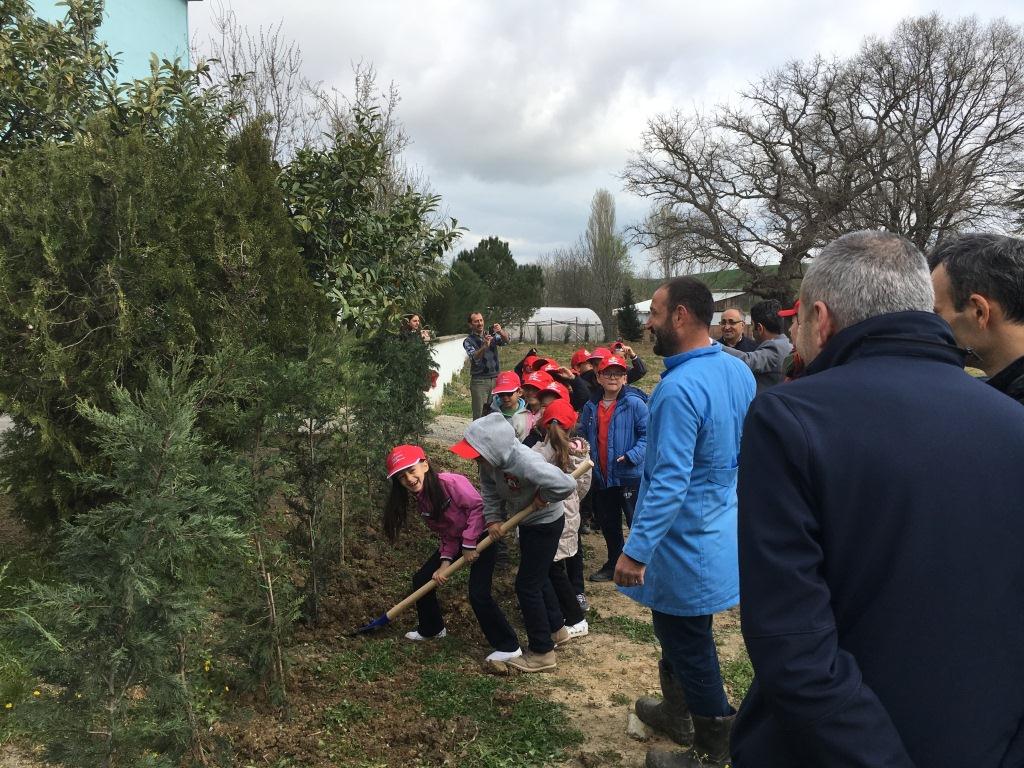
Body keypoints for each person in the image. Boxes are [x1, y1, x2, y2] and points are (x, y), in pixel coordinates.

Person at [731, 230, 1024, 768]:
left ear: (821, 320)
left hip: (836, 750)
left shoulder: (792, 418)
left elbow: (793, 645)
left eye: (797, 323)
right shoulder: (1012, 419)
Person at [613, 277, 755, 768]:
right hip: (719, 529)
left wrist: (636, 551)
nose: (648, 323)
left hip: (684, 541)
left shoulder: (676, 390)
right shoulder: (737, 371)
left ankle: (716, 747)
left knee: (688, 641)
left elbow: (670, 482)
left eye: (654, 313)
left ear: (679, 316)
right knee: (680, 631)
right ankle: (677, 713)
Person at [451, 413, 578, 673]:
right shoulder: (489, 464)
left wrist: (545, 495)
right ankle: (557, 630)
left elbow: (566, 484)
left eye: (477, 453)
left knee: (527, 586)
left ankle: (542, 652)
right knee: (538, 578)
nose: (475, 458)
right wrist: (494, 519)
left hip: (546, 524)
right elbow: (488, 490)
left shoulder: (524, 461)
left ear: (492, 447)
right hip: (528, 523)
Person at [382, 445, 522, 664]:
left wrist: (469, 543)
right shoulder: (422, 499)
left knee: (478, 593)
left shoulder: (450, 483)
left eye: (411, 470)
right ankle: (432, 628)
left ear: (425, 465)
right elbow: (446, 533)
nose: (409, 479)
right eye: (402, 477)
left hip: (483, 536)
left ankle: (509, 646)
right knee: (422, 580)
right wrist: (445, 562)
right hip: (458, 542)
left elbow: (478, 508)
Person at [928, 233, 1024, 405]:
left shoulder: (1007, 412)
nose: (930, 325)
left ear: (979, 312)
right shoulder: (1003, 394)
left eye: (936, 313)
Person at [578, 353, 648, 584]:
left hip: (628, 475)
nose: (613, 377)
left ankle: (643, 564)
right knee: (608, 522)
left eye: (618, 373)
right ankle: (613, 562)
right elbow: (583, 434)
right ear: (598, 377)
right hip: (602, 476)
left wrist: (632, 456)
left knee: (635, 520)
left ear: (626, 379)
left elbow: (648, 436)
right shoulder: (591, 406)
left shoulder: (635, 404)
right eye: (608, 373)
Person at [532, 398, 592, 640]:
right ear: (573, 424)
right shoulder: (580, 453)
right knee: (554, 568)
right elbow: (584, 486)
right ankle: (563, 615)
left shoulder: (538, 453)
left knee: (552, 570)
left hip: (549, 518)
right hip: (569, 516)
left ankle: (576, 618)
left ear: (544, 425)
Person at [718, 300, 793, 393]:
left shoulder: (773, 348)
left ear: (760, 328)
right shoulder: (785, 345)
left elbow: (747, 361)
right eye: (723, 322)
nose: (727, 327)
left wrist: (710, 343)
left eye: (732, 322)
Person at [463, 312, 509, 419]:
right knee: (480, 415)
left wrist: (500, 331)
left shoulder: (491, 335)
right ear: (470, 325)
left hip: (495, 379)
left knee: (496, 413)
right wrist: (484, 346)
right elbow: (474, 358)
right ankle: (477, 436)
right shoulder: (468, 341)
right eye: (476, 321)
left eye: (481, 320)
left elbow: (506, 341)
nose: (480, 323)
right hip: (480, 382)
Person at [482, 371, 530, 440]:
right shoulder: (490, 412)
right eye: (501, 394)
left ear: (519, 392)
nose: (505, 397)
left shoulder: (526, 414)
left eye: (509, 393)